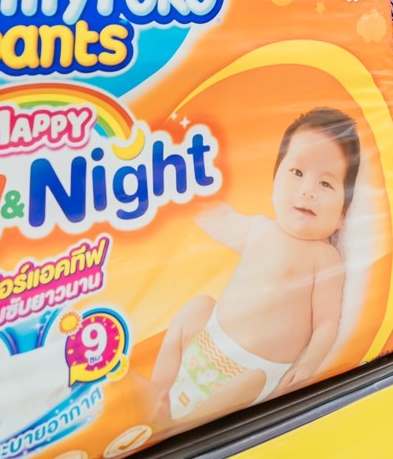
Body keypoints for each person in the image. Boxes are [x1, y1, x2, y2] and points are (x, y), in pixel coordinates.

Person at [149, 108, 360, 429]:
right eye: (297, 172)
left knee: (253, 380)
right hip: (206, 346)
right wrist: (182, 191)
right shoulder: (258, 229)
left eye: (326, 184)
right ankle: (158, 395)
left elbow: (326, 324)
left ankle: (182, 425)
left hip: (252, 372)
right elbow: (218, 217)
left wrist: (308, 364)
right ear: (273, 185)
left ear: (343, 215)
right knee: (197, 306)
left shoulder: (325, 258)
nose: (308, 190)